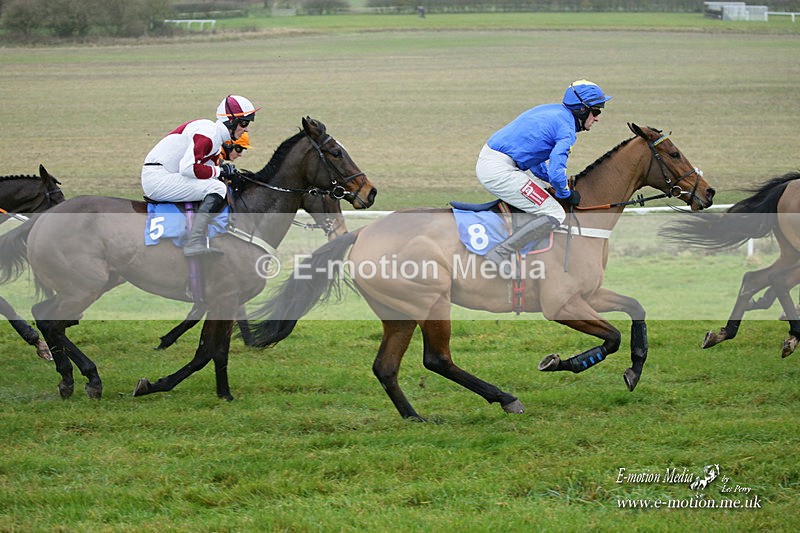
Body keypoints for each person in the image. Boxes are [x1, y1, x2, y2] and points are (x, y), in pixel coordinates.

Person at [475, 79, 612, 270]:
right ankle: (500, 252)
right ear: (582, 110)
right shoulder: (566, 130)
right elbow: (557, 172)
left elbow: (536, 158)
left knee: (546, 194)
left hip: (499, 162)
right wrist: (565, 192)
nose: (597, 118)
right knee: (555, 213)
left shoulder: (553, 112)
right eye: (596, 111)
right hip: (499, 170)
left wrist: (552, 183)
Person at [142, 94, 261, 257]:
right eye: (244, 123)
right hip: (157, 178)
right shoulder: (209, 134)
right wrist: (220, 171)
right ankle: (194, 242)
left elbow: (206, 172)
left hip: (164, 174)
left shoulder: (214, 137)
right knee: (217, 188)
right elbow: (188, 168)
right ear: (231, 121)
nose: (246, 129)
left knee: (217, 185)